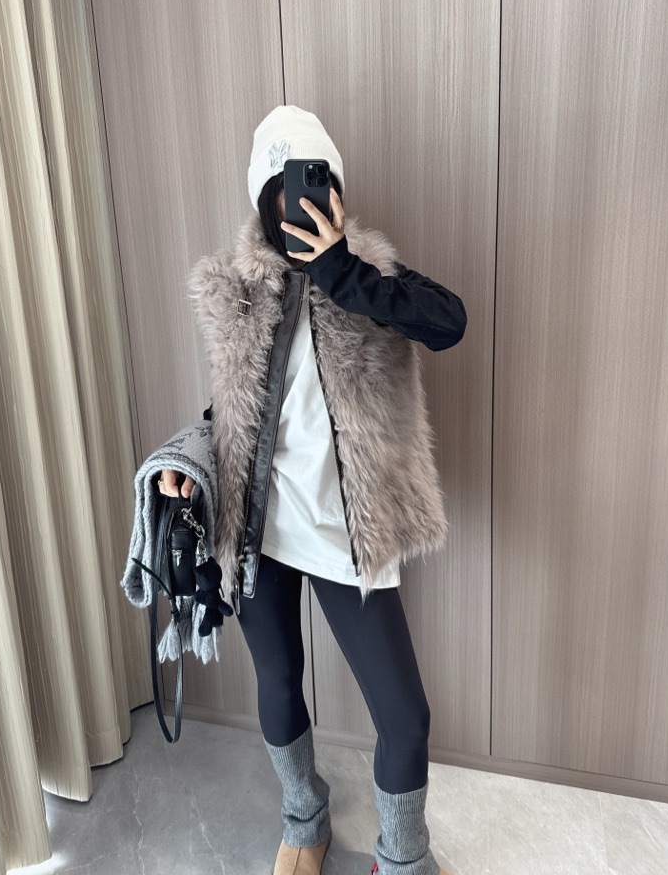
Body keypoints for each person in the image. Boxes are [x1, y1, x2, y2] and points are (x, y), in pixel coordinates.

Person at [160, 105, 466, 875]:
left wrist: (342, 271)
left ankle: (403, 859)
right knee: (277, 679)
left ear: (335, 190)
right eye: (280, 194)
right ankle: (304, 821)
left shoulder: (369, 275)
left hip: (345, 532)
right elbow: (233, 409)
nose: (295, 207)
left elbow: (449, 322)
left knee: (404, 716)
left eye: (313, 185)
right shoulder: (232, 289)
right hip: (259, 528)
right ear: (261, 201)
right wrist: (184, 461)